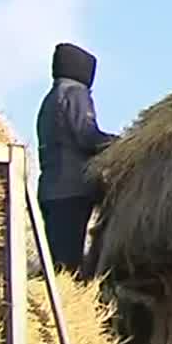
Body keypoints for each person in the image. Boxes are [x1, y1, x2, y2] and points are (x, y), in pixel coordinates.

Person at [36, 42, 117, 276]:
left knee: (59, 262)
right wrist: (119, 143)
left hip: (52, 191)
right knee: (69, 266)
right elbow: (87, 136)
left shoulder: (50, 99)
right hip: (71, 190)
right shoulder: (74, 94)